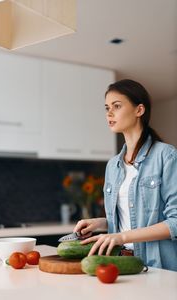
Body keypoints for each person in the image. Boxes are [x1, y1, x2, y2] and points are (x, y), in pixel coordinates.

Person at [73, 79, 177, 271]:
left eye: (117, 106)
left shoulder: (166, 155)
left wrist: (122, 237)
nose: (109, 113)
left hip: (159, 267)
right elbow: (131, 217)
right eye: (106, 108)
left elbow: (175, 223)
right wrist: (100, 223)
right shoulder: (112, 166)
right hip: (121, 263)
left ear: (139, 110)